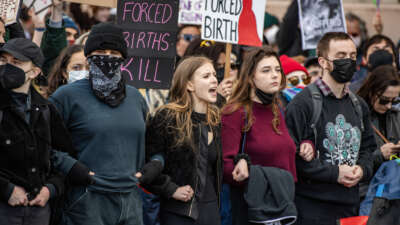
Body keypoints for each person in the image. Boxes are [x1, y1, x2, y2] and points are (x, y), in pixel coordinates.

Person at [49, 23, 148, 225]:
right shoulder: (66, 96)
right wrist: (75, 169)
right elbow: (45, 144)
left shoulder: (136, 97)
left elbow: (150, 143)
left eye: (114, 52)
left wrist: (153, 166)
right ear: (88, 56)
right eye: (101, 52)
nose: (107, 57)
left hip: (130, 199)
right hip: (87, 199)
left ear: (122, 58)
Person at [285, 32, 376, 225]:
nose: (349, 61)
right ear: (323, 62)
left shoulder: (359, 105)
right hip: (311, 208)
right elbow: (291, 157)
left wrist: (361, 169)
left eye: (352, 56)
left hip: (350, 206)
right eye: (341, 56)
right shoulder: (302, 104)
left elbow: (369, 149)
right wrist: (335, 173)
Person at [0, 38, 92, 225]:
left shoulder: (46, 110)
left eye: (16, 63)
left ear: (34, 72)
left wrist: (50, 189)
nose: (7, 67)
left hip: (38, 211)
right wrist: (7, 190)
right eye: (3, 60)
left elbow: (62, 155)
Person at [221, 46, 312, 225]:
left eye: (277, 70)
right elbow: (225, 167)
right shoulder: (235, 112)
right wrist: (244, 167)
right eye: (266, 70)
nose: (275, 75)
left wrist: (307, 144)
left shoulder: (279, 109)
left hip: (283, 207)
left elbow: (288, 146)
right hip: (251, 210)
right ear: (250, 78)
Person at [144, 56, 222, 225]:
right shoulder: (167, 117)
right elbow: (148, 162)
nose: (214, 80)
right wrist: (170, 189)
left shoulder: (215, 119)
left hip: (211, 210)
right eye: (206, 76)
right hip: (179, 212)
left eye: (214, 75)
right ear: (189, 84)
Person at [357, 65, 400, 174]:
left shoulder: (396, 115)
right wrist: (380, 155)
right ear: (371, 92)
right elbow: (350, 161)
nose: (389, 106)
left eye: (394, 100)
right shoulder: (355, 115)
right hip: (368, 185)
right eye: (384, 100)